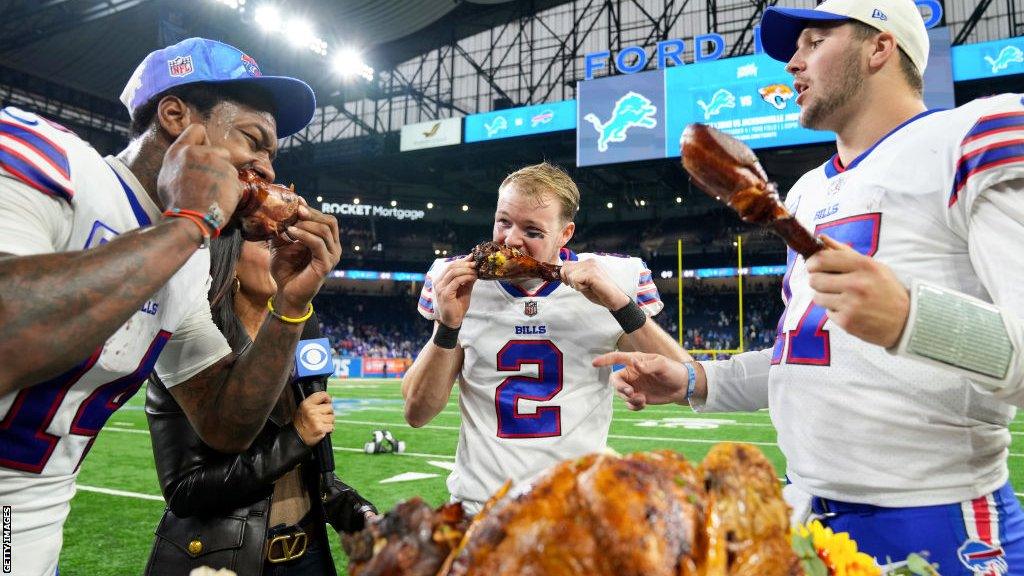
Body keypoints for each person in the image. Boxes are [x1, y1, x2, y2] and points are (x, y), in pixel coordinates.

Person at [596, 0, 1024, 572]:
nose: (792, 62)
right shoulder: (801, 194)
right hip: (804, 518)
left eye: (815, 42)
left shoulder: (971, 137)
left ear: (880, 47)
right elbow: (806, 359)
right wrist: (697, 379)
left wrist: (910, 320)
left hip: (939, 521)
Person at [0, 38, 341, 575]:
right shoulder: (44, 156)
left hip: (32, 523)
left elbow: (227, 425)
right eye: (254, 141)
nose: (267, 170)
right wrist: (188, 222)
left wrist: (290, 307)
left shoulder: (186, 266)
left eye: (273, 156)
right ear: (176, 116)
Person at [402, 162, 686, 514]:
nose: (510, 240)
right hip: (481, 510)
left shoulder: (615, 276)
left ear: (565, 234)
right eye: (503, 221)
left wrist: (619, 304)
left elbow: (687, 382)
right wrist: (448, 327)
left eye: (532, 230)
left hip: (573, 510)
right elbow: (417, 412)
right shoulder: (453, 279)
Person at [145, 233, 375, 575]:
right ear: (229, 259)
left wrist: (359, 513)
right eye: (269, 245)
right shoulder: (191, 348)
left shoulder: (303, 333)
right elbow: (184, 490)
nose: (286, 253)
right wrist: (294, 438)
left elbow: (305, 471)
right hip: (229, 558)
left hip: (309, 554)